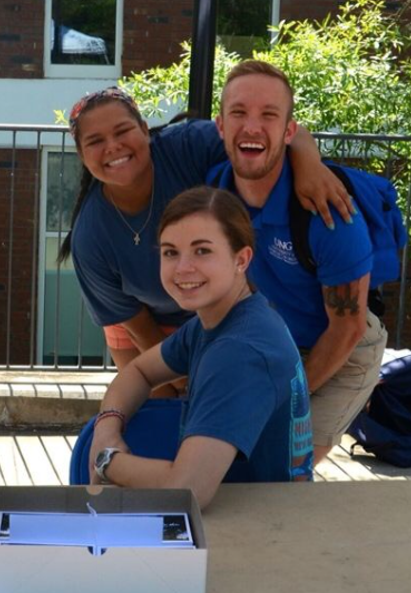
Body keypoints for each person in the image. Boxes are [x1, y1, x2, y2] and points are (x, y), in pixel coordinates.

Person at [59, 87, 351, 394]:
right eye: (95, 141)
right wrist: (181, 379)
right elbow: (136, 325)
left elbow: (286, 135)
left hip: (218, 311)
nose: (113, 146)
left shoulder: (186, 146)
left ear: (144, 130)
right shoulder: (90, 237)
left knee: (226, 403)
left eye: (122, 131)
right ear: (81, 154)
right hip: (144, 328)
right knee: (158, 412)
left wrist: (310, 167)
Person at [88, 187, 313, 508]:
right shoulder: (222, 318)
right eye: (170, 252)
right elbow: (139, 371)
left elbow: (188, 489)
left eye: (202, 251)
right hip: (259, 507)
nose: (183, 268)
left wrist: (106, 461)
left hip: (260, 524)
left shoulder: (239, 351)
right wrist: (107, 426)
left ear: (241, 259)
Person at [209, 60, 387, 464]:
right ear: (220, 125)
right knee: (228, 459)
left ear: (289, 132)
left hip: (342, 349)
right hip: (272, 341)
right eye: (239, 112)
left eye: (268, 115)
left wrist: (281, 400)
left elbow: (347, 327)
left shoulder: (329, 214)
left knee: (281, 469)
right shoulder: (213, 195)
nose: (252, 126)